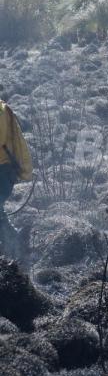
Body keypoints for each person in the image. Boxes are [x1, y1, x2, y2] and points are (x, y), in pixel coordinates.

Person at [0, 100, 33, 259]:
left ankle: (14, 246)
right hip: (6, 172)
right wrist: (25, 169)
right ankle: (14, 244)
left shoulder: (4, 111)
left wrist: (26, 170)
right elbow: (18, 142)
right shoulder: (5, 110)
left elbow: (17, 141)